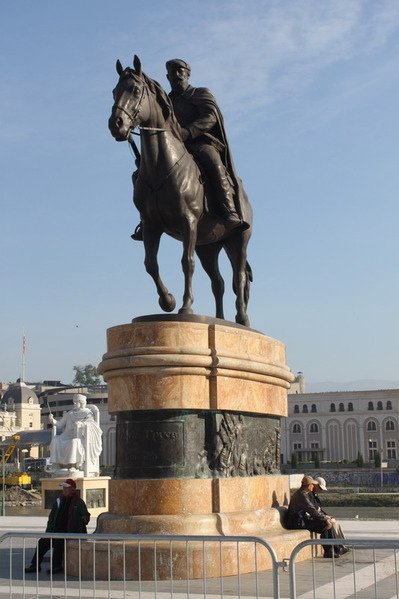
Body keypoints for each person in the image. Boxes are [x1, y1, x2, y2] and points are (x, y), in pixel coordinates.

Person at [131, 58, 249, 240]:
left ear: (188, 73)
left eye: (180, 71)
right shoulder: (166, 102)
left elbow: (211, 117)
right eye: (172, 72)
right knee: (140, 173)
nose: (176, 75)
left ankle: (229, 211)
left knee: (212, 160)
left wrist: (188, 132)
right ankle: (146, 219)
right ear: (167, 77)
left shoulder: (200, 93)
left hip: (200, 142)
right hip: (174, 148)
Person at [25, 479, 90, 574]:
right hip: (55, 531)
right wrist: (49, 531)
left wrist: (84, 519)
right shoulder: (59, 500)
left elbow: (86, 516)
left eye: (66, 488)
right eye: (63, 487)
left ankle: (57, 566)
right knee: (42, 542)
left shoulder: (78, 502)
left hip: (69, 532)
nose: (64, 489)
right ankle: (35, 565)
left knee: (59, 543)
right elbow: (52, 518)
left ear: (72, 489)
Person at [285, 475, 339, 558]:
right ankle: (328, 551)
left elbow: (314, 510)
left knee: (327, 524)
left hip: (301, 520)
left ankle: (334, 548)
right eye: (312, 485)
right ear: (309, 485)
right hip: (296, 522)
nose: (313, 486)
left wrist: (325, 518)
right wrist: (325, 518)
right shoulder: (302, 496)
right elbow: (312, 511)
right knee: (325, 524)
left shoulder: (303, 493)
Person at [49, 393, 102, 475]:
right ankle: (57, 465)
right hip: (66, 435)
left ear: (81, 403)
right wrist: (52, 420)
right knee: (56, 440)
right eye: (74, 402)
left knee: (74, 442)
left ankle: (74, 465)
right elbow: (59, 424)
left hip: (80, 436)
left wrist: (81, 424)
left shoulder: (87, 413)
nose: (74, 404)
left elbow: (91, 423)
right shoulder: (69, 414)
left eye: (76, 402)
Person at [311, 476, 349, 555]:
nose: (321, 491)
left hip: (318, 516)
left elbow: (318, 509)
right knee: (331, 524)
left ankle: (341, 545)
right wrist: (325, 517)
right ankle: (337, 547)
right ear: (315, 485)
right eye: (320, 488)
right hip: (314, 518)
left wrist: (327, 516)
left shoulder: (314, 495)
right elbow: (314, 511)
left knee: (335, 523)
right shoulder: (310, 496)